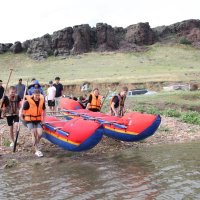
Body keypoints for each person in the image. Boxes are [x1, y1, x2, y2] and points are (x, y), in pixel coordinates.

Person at [21, 89, 46, 157]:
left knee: (40, 134)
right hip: (29, 120)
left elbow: (44, 111)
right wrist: (22, 119)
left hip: (38, 120)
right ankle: (36, 150)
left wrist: (44, 120)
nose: (37, 97)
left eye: (38, 95)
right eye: (36, 95)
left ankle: (36, 143)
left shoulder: (41, 101)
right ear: (33, 94)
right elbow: (22, 112)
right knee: (34, 133)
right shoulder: (27, 102)